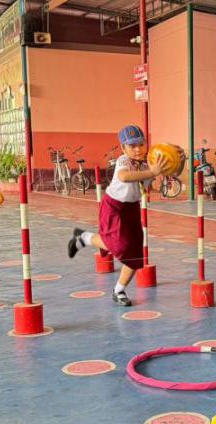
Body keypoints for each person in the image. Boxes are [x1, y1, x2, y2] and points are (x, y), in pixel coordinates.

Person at [67, 125, 166, 306]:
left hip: (132, 209)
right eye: (132, 146)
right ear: (123, 148)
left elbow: (147, 187)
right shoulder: (123, 161)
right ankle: (84, 238)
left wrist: (170, 165)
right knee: (119, 244)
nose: (138, 149)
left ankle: (119, 290)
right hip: (113, 207)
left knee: (135, 254)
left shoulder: (146, 165)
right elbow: (124, 177)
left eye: (141, 144)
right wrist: (152, 172)